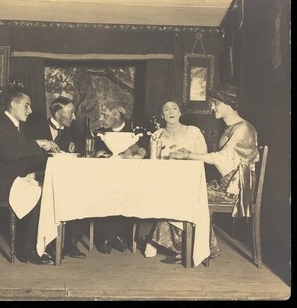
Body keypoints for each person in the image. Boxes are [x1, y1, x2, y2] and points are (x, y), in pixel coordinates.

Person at [148, 84, 259, 264]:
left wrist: (188, 154)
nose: (212, 108)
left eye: (215, 103)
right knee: (180, 192)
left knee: (186, 194)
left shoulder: (243, 129)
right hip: (228, 183)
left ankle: (195, 249)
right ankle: (190, 247)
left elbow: (222, 158)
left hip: (237, 188)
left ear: (227, 104)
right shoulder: (231, 128)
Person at [0, 86, 60, 265]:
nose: (30, 110)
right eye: (27, 106)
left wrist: (52, 159)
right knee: (40, 193)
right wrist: (38, 143)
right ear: (13, 105)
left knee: (47, 187)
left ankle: (42, 245)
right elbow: (8, 154)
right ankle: (27, 250)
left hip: (10, 178)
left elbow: (22, 157)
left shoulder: (15, 126)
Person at [141, 98, 208, 259]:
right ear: (162, 115)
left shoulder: (193, 132)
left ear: (180, 112)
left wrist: (186, 157)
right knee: (161, 192)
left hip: (189, 182)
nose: (171, 112)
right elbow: (153, 163)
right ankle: (156, 240)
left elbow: (203, 158)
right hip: (164, 181)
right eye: (166, 109)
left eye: (174, 108)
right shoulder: (157, 135)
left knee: (174, 195)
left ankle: (154, 240)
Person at [24, 96, 86, 259]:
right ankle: (47, 243)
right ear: (58, 113)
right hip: (36, 173)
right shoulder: (34, 127)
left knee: (80, 191)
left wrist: (73, 149)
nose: (74, 117)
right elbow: (25, 156)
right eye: (71, 113)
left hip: (60, 176)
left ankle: (69, 243)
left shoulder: (71, 131)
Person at [92, 99, 133, 254]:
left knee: (125, 194)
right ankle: (111, 236)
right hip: (103, 180)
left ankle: (109, 236)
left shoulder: (134, 132)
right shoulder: (98, 134)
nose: (101, 119)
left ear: (117, 115)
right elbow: (92, 154)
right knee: (104, 194)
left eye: (105, 115)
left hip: (129, 180)